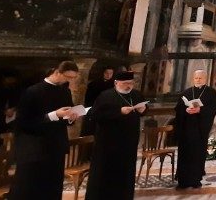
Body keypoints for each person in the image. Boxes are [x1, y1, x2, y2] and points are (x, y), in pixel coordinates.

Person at [8, 61, 80, 200]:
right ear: (57, 72)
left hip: (56, 147)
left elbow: (67, 116)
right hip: (34, 148)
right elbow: (23, 123)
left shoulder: (65, 91)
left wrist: (71, 117)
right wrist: (53, 115)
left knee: (52, 188)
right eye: (68, 77)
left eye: (73, 78)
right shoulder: (33, 91)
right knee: (28, 188)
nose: (70, 81)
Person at [85, 71, 148, 200]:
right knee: (105, 174)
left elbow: (144, 109)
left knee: (125, 173)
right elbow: (95, 115)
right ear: (116, 83)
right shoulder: (105, 96)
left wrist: (144, 110)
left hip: (129, 142)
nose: (128, 86)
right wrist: (118, 111)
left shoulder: (136, 95)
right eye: (125, 83)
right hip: (108, 143)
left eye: (131, 83)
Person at [174, 70, 216, 190]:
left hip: (200, 129)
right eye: (196, 78)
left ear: (205, 78)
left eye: (200, 78)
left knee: (198, 153)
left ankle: (195, 179)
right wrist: (186, 111)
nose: (198, 80)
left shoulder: (211, 93)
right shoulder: (186, 93)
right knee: (184, 154)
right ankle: (182, 180)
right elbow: (178, 109)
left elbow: (213, 108)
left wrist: (200, 110)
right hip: (186, 129)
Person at [81, 65, 115, 136]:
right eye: (106, 73)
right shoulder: (93, 84)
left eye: (111, 73)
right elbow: (88, 99)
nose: (108, 75)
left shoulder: (114, 85)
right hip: (94, 110)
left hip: (108, 112)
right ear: (103, 73)